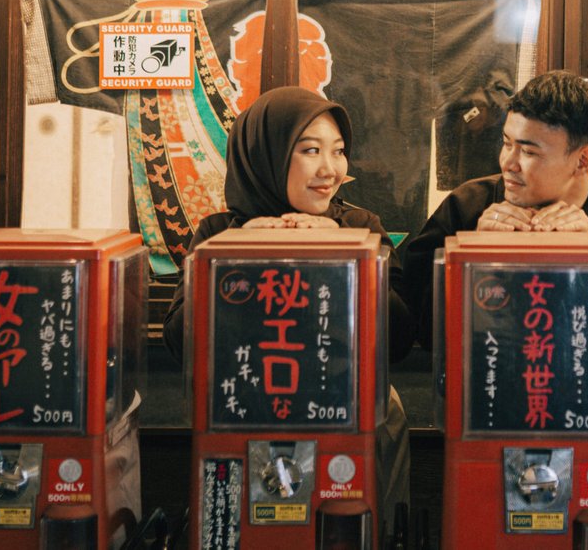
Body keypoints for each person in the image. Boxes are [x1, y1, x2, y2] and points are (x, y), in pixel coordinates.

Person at [160, 86, 412, 532]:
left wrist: (340, 249)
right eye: (311, 150)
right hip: (244, 410)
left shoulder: (359, 225)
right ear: (266, 156)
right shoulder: (219, 232)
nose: (330, 169)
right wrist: (245, 252)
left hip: (347, 411)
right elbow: (182, 343)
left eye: (338, 151)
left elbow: (398, 340)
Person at [401, 69, 588, 360]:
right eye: (507, 143)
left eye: (528, 152)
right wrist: (474, 259)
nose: (508, 163)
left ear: (583, 161)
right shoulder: (466, 206)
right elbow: (422, 330)